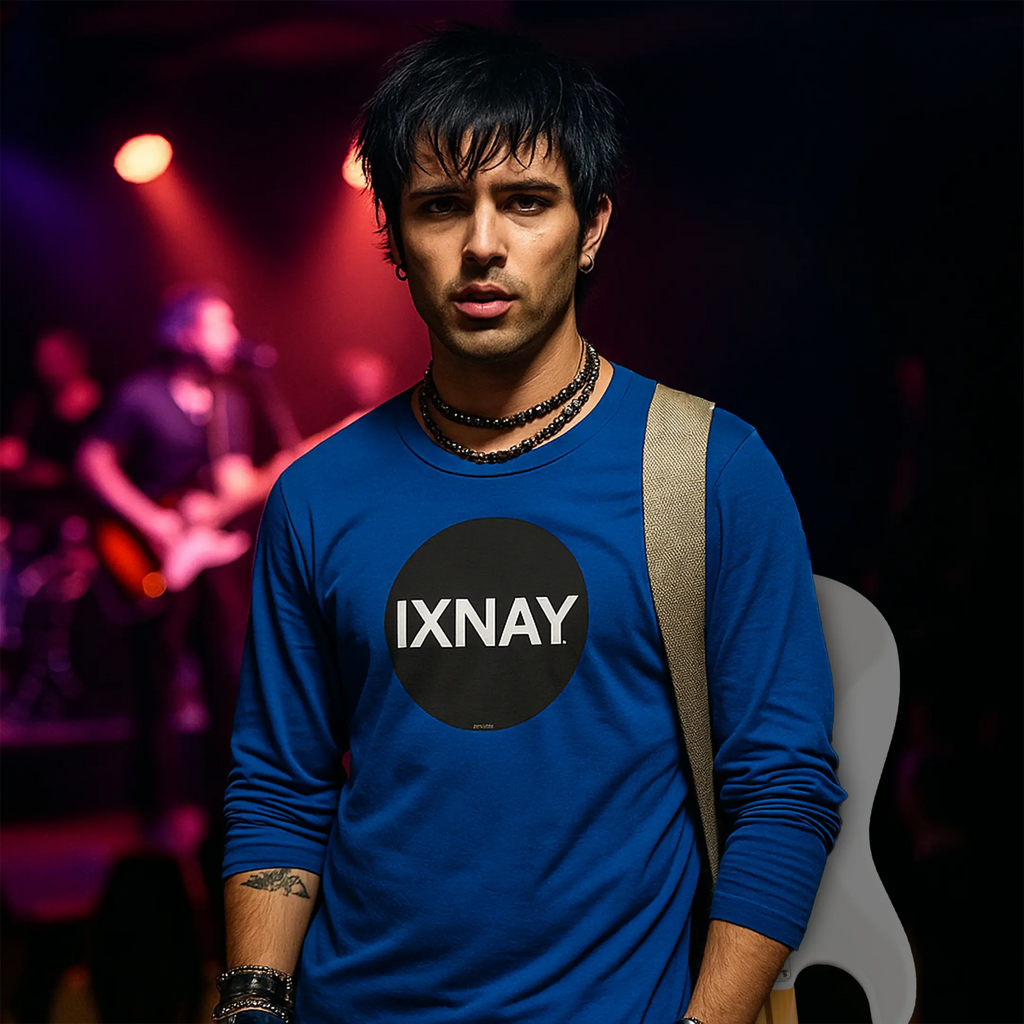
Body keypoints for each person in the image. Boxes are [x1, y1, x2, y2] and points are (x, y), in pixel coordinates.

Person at [220, 27, 845, 1024]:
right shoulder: (317, 495)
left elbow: (782, 791)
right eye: (437, 206)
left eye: (524, 201)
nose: (481, 242)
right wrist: (252, 1004)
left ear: (591, 225)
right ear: (390, 231)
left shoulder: (709, 470)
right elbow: (280, 788)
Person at [76, 285, 276, 828]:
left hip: (214, 556)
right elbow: (93, 461)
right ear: (183, 334)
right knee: (157, 683)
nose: (232, 337)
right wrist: (153, 522)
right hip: (154, 554)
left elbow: (233, 480)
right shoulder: (141, 396)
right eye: (220, 325)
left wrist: (279, 471)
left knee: (228, 680)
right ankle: (155, 810)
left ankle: (225, 811)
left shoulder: (232, 400)